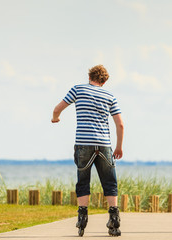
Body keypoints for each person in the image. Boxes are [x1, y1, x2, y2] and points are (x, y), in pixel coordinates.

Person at [51, 65, 124, 237]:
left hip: (84, 144)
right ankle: (114, 221)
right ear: (104, 81)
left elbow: (57, 109)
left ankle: (82, 219)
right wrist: (119, 146)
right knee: (110, 183)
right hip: (104, 145)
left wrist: (56, 118)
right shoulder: (109, 96)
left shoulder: (78, 90)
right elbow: (120, 124)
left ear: (89, 76)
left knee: (83, 181)